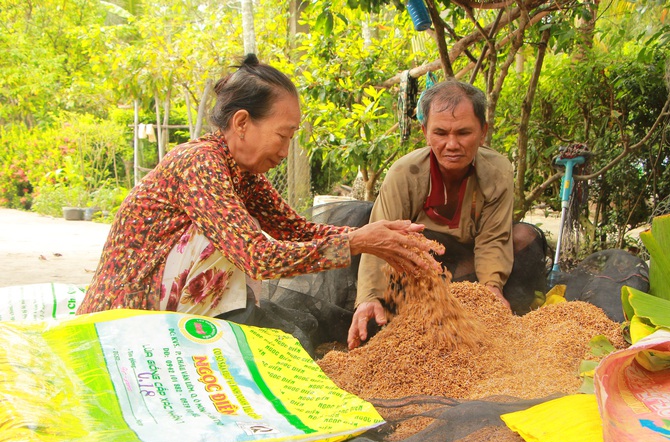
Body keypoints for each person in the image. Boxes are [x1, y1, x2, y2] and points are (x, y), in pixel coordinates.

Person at [78, 54, 442, 329]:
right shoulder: (199, 163)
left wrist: (373, 237)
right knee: (233, 245)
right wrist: (356, 242)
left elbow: (297, 230)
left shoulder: (241, 172)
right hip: (122, 317)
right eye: (282, 135)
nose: (284, 152)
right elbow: (258, 257)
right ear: (241, 123)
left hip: (157, 312)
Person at [348, 79, 546, 349]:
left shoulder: (497, 171)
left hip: (470, 262)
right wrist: (369, 297)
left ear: (483, 132)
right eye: (440, 133)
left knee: (524, 236)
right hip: (420, 266)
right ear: (425, 132)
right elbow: (381, 240)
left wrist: (491, 288)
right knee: (377, 322)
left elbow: (493, 238)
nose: (452, 144)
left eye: (463, 133)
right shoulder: (405, 173)